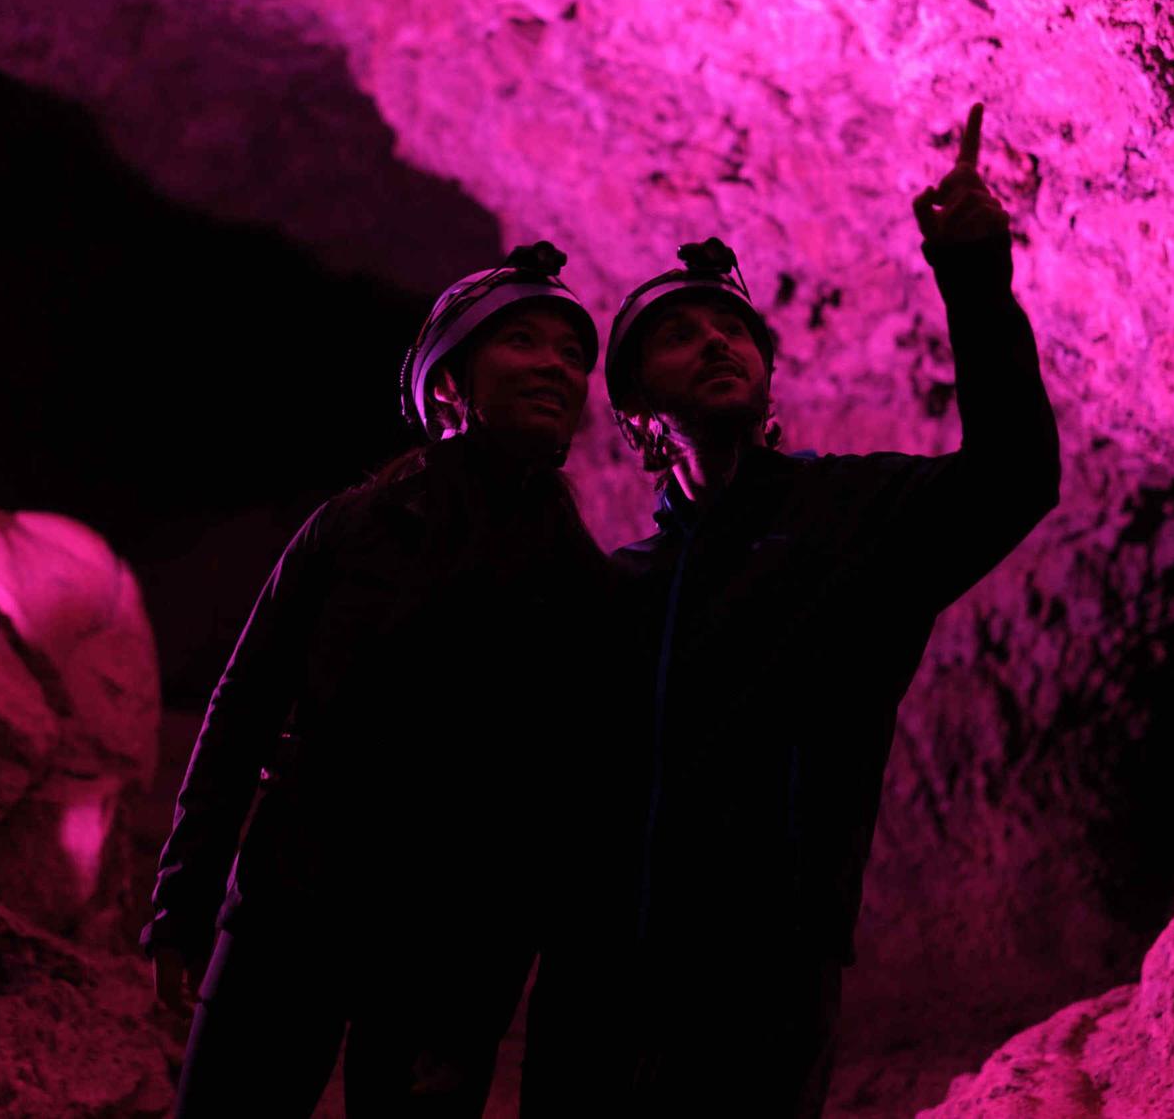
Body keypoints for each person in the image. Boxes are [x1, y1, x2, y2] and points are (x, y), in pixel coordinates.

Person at [598, 104, 1060, 1116]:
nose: (714, 342)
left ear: (765, 375)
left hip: (774, 954)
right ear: (635, 410)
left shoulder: (854, 515)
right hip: (613, 956)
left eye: (730, 329)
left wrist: (974, 276)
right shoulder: (626, 584)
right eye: (676, 336)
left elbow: (1013, 477)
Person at [144, 241, 611, 1117]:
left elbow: (569, 796)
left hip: (448, 958)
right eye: (522, 340)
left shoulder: (581, 581)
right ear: (449, 383)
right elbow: (243, 709)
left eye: (574, 352)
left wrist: (498, 982)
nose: (557, 364)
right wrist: (184, 896)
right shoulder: (352, 531)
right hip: (290, 916)